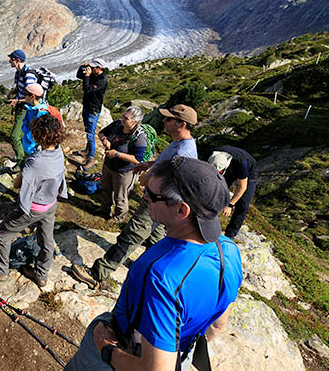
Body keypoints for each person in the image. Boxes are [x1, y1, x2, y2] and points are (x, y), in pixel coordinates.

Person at [65, 157, 243, 371]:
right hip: (180, 354)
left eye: (152, 195)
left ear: (182, 210)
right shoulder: (229, 250)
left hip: (125, 353)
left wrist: (106, 349)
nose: (144, 196)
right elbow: (217, 325)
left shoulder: (162, 275)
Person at [70, 104, 198, 288]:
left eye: (169, 119)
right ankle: (152, 270)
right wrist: (148, 165)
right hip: (161, 202)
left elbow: (175, 181)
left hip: (159, 202)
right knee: (156, 238)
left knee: (130, 236)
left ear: (182, 124)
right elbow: (167, 164)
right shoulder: (179, 143)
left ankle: (98, 273)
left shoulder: (184, 151)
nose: (164, 121)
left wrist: (150, 179)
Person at [0, 113, 66, 288]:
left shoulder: (35, 161)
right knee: (46, 239)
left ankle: (0, 271)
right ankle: (41, 275)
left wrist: (24, 170)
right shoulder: (59, 152)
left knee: (2, 234)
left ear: (38, 135)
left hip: (34, 208)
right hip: (51, 203)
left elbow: (17, 185)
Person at [96, 106, 147, 222]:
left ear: (135, 122)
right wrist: (104, 139)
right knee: (106, 188)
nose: (122, 119)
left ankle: (119, 217)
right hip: (108, 165)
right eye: (123, 116)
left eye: (126, 118)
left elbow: (138, 159)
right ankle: (104, 209)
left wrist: (117, 154)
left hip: (124, 171)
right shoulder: (117, 125)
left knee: (120, 196)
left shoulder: (140, 136)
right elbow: (102, 132)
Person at [208, 146, 258, 239]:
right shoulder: (210, 154)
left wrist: (230, 205)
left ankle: (230, 234)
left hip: (248, 171)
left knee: (243, 205)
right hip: (225, 167)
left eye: (220, 171)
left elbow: (242, 187)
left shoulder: (242, 163)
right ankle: (207, 224)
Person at [5, 49, 38, 171]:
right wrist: (11, 93)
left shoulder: (28, 75)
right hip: (20, 107)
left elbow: (32, 96)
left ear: (17, 60)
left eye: (11, 59)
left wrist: (17, 101)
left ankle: (22, 163)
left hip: (26, 109)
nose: (9, 61)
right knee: (21, 135)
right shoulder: (19, 73)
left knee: (15, 136)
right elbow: (21, 89)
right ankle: (25, 158)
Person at [74, 59, 108, 169]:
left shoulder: (102, 80)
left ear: (99, 68)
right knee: (87, 130)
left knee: (90, 133)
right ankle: (87, 150)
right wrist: (81, 68)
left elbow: (88, 90)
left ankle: (91, 158)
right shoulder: (93, 74)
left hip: (93, 109)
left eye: (93, 67)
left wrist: (88, 76)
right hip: (87, 106)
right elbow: (79, 76)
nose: (91, 68)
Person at [20, 83, 51, 156]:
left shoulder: (41, 113)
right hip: (28, 145)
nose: (24, 95)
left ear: (32, 96)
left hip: (34, 149)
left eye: (25, 93)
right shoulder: (30, 108)